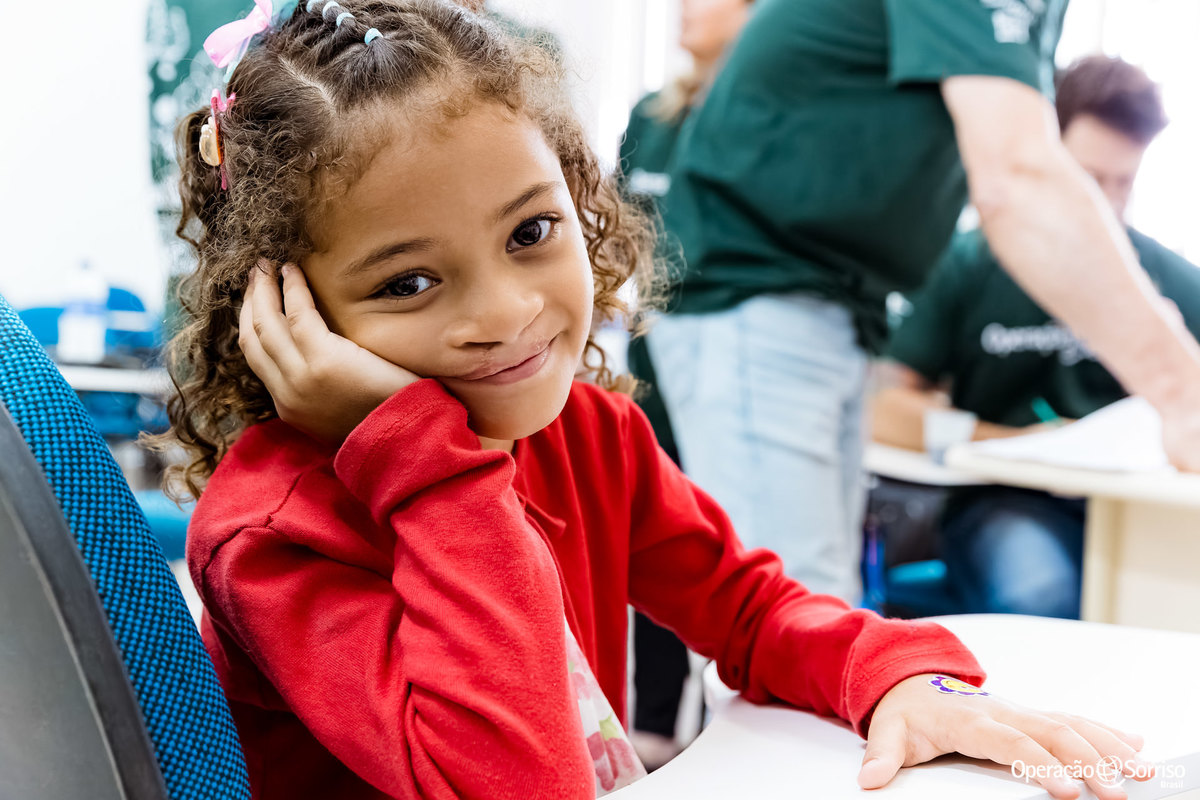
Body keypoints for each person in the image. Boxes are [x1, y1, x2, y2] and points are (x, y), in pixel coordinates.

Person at [157, 2, 1155, 798]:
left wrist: (893, 675)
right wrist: (428, 468)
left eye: (531, 232)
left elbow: (749, 606)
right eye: (408, 283)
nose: (506, 314)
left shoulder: (585, 429)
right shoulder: (277, 536)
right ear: (282, 310)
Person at [650, 0, 1200, 607]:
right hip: (761, 288)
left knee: (826, 606)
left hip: (832, 299)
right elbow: (1018, 177)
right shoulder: (970, 267)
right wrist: (1181, 393)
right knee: (791, 616)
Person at [872, 56, 1200, 618]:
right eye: (1090, 181)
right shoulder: (966, 265)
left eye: (1126, 182)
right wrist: (1003, 441)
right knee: (1042, 596)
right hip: (1005, 503)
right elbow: (882, 408)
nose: (1110, 203)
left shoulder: (1173, 280)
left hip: (1144, 510)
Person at [618, 0, 753, 769]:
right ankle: (662, 728)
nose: (686, 8)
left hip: (731, 358)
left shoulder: (756, 116)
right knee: (653, 546)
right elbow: (608, 220)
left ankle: (723, 738)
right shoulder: (652, 116)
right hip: (653, 363)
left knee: (717, 554)